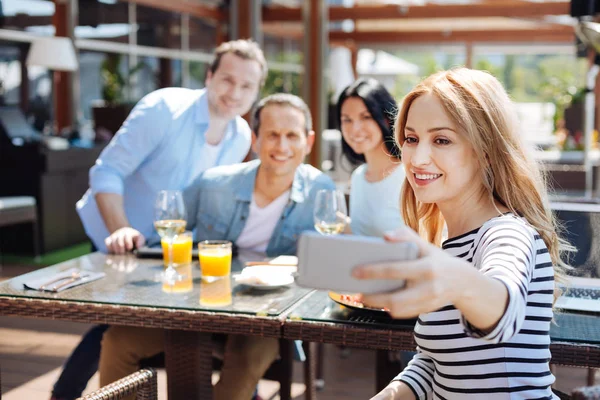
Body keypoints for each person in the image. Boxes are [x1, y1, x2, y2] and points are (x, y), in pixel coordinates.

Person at [51, 39, 267, 400]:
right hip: (117, 230)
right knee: (116, 319)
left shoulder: (240, 134)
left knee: (148, 320)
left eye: (247, 86)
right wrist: (119, 228)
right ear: (209, 76)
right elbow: (106, 172)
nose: (235, 93)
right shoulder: (163, 109)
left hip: (171, 243)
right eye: (228, 80)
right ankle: (64, 394)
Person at [97, 93, 335, 400]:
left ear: (309, 140)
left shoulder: (320, 191)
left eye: (292, 135)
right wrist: (129, 237)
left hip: (264, 319)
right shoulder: (213, 183)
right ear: (255, 138)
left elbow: (324, 264)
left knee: (248, 356)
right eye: (272, 135)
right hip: (197, 308)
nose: (282, 146)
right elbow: (165, 234)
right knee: (118, 341)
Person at [352, 68, 571, 400]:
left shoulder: (507, 234)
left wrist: (452, 278)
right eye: (411, 139)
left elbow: (502, 309)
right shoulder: (447, 242)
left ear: (485, 151)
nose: (417, 158)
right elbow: (436, 363)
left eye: (442, 140)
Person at [337, 78, 405, 237]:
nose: (355, 129)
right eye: (347, 120)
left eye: (366, 117)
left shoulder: (408, 177)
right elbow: (363, 235)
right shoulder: (358, 177)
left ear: (387, 120)